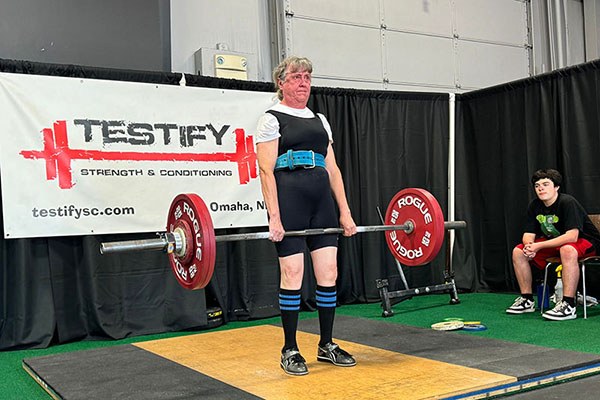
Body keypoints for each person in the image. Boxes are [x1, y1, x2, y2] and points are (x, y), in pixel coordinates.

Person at [255, 56, 358, 376]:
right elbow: (265, 170)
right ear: (281, 83)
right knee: (293, 275)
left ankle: (326, 344)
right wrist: (275, 216)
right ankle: (289, 348)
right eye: (296, 77)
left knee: (328, 273)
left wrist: (345, 211)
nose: (303, 82)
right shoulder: (271, 119)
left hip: (321, 204)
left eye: (307, 77)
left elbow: (333, 168)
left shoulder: (320, 120)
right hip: (289, 202)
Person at [506, 169, 600, 320]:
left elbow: (572, 236)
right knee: (519, 251)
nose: (541, 188)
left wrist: (538, 246)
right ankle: (527, 299)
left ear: (556, 187)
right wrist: (530, 246)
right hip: (557, 244)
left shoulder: (567, 202)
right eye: (537, 186)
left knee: (567, 249)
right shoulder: (535, 205)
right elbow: (528, 234)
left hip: (585, 242)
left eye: (545, 184)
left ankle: (568, 305)